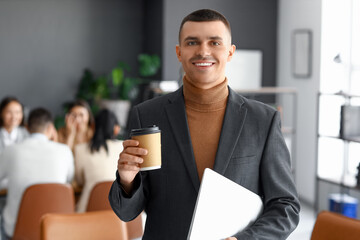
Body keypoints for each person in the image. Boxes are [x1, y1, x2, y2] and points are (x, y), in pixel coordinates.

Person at [109, 9, 300, 240]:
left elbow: (285, 206)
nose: (203, 51)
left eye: (214, 42)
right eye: (192, 42)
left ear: (230, 52)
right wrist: (127, 181)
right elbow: (128, 212)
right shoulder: (148, 114)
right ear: (179, 52)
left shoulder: (263, 120)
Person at [0, 108, 74, 239]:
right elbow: (68, 180)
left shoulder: (11, 151)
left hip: (17, 230)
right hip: (56, 229)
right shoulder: (64, 151)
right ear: (51, 128)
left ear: (27, 127)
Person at [74, 109, 122, 212]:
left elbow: (79, 181)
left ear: (92, 126)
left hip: (87, 211)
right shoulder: (124, 147)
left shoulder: (80, 149)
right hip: (118, 213)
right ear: (116, 129)